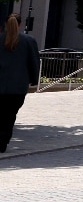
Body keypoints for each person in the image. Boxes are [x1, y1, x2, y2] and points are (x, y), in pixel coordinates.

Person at [0, 14, 39, 153]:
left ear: (5, 23)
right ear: (20, 24)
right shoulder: (29, 41)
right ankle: (2, 141)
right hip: (17, 87)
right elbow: (34, 62)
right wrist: (34, 80)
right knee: (10, 115)